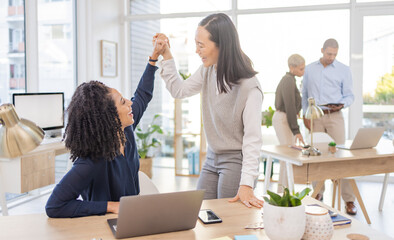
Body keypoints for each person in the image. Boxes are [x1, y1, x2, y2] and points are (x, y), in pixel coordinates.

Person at [45, 39, 166, 218]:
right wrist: (110, 206)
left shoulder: (126, 130)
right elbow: (54, 206)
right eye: (123, 102)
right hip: (102, 225)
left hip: (131, 217)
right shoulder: (92, 160)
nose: (131, 103)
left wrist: (154, 58)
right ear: (110, 117)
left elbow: (143, 94)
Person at [155, 13, 264, 208]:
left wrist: (247, 183)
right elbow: (179, 90)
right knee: (201, 212)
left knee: (228, 218)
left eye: (201, 45)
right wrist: (167, 55)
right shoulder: (208, 70)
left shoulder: (249, 87)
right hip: (212, 156)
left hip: (235, 160)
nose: (197, 50)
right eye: (196, 44)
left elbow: (253, 139)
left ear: (221, 44)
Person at [302, 38, 356, 215]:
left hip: (335, 117)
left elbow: (349, 96)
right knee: (316, 156)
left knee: (341, 156)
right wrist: (305, 114)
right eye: (329, 54)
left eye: (334, 54)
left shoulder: (343, 70)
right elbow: (304, 94)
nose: (331, 57)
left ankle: (349, 200)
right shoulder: (309, 69)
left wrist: (342, 104)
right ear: (322, 50)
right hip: (315, 117)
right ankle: (317, 195)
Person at [273, 54, 305, 191]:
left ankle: (285, 191)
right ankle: (283, 192)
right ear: (292, 67)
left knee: (286, 157)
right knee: (286, 157)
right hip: (283, 119)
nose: (303, 72)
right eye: (301, 69)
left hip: (285, 118)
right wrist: (296, 130)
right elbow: (290, 106)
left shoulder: (291, 80)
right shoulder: (288, 81)